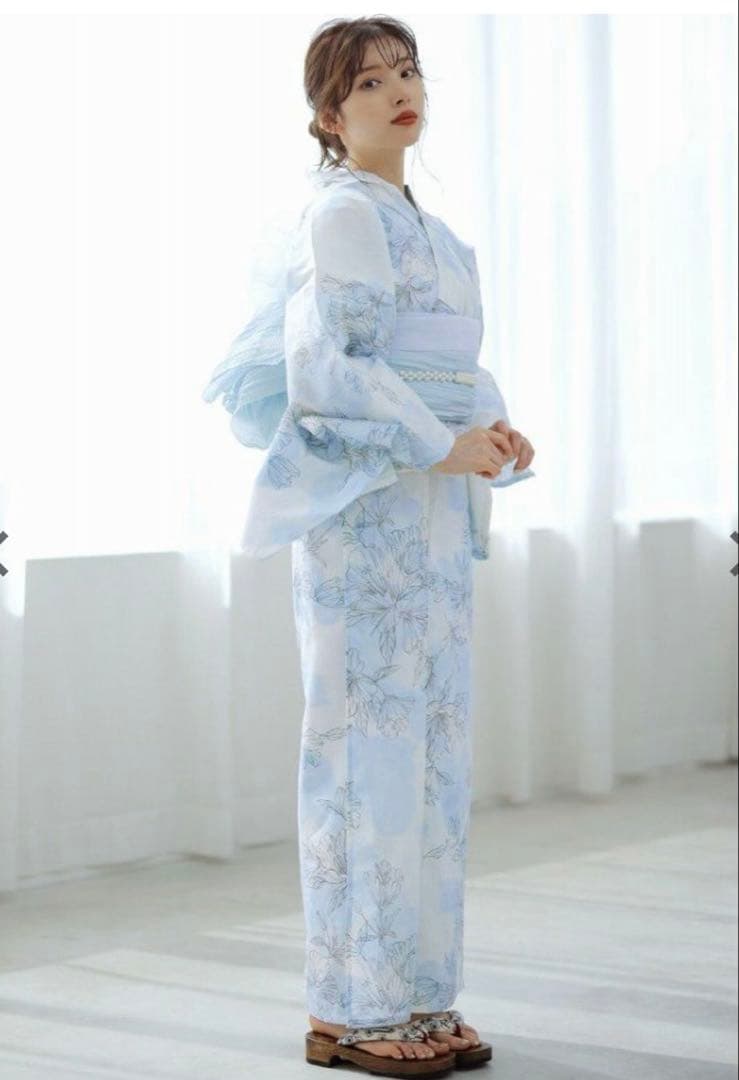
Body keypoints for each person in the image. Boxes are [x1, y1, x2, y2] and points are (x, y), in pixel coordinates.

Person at [203, 16, 535, 1077]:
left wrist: (493, 432)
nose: (400, 90)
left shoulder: (442, 238)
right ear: (327, 115)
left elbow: (454, 368)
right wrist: (438, 441)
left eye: (407, 71)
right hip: (364, 512)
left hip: (430, 513)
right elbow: (329, 368)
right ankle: (350, 1006)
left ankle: (422, 995)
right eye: (369, 81)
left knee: (432, 752)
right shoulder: (341, 213)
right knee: (363, 750)